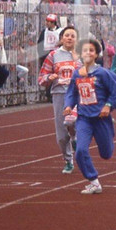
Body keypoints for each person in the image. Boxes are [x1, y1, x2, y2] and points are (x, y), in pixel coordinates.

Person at [64, 38, 116, 195]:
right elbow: (71, 92)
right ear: (80, 54)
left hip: (101, 118)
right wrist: (68, 106)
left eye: (91, 50)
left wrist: (108, 105)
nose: (88, 53)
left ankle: (109, 136)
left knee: (106, 153)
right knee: (80, 151)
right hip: (84, 118)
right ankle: (93, 181)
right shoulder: (77, 74)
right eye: (85, 50)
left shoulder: (103, 73)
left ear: (97, 54)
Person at [38, 25, 81, 174]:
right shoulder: (53, 55)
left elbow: (91, 73)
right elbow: (41, 78)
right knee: (62, 135)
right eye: (67, 35)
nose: (69, 38)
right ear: (61, 38)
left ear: (76, 40)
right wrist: (49, 78)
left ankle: (75, 137)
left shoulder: (81, 55)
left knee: (71, 121)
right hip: (59, 94)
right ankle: (68, 160)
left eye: (72, 36)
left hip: (77, 95)